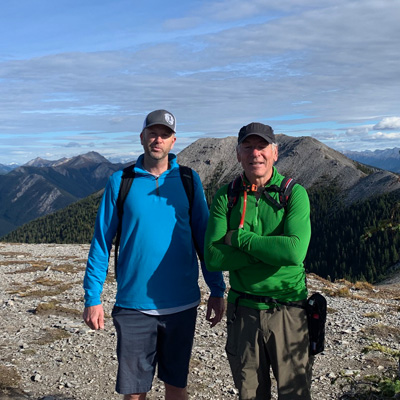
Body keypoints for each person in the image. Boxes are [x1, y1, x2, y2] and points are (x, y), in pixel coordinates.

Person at [83, 109, 226, 400]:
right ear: (142, 137)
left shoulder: (188, 180)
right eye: (152, 133)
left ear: (174, 141)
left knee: (176, 387)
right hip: (133, 306)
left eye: (164, 135)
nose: (157, 139)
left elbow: (204, 237)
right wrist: (92, 297)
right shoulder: (120, 181)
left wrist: (217, 288)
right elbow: (101, 241)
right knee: (135, 392)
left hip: (181, 305)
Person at [204, 122, 312, 400]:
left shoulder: (294, 193)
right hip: (244, 312)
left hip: (288, 311)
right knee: (249, 395)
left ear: (275, 152)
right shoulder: (226, 195)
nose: (256, 154)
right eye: (248, 147)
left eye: (262, 146)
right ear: (238, 154)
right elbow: (214, 257)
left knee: (295, 395)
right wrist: (268, 255)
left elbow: (293, 253)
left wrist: (240, 239)